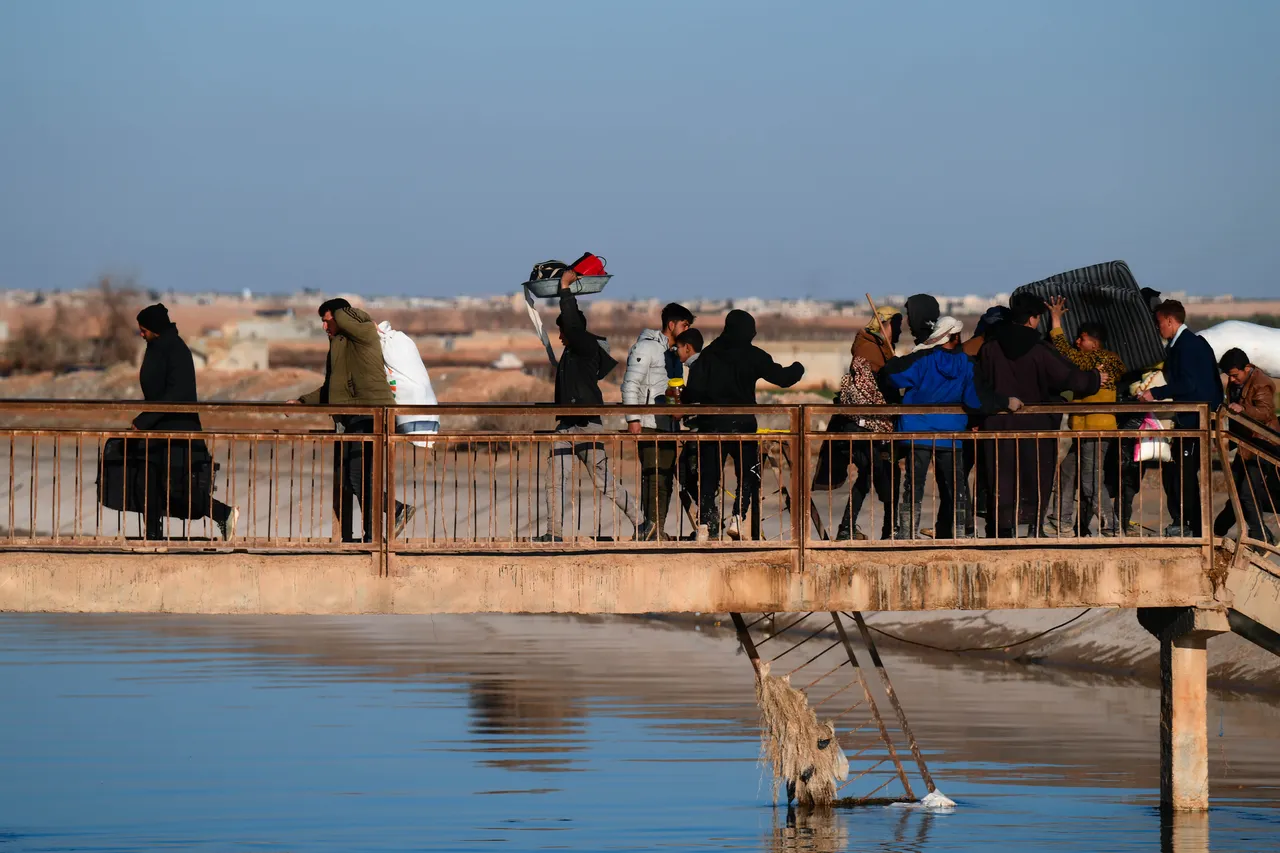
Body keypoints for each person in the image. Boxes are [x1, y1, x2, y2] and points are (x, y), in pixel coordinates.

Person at [977, 293, 1107, 537]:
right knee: (1035, 480)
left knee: (1002, 480)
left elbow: (979, 387)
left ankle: (1000, 535)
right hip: (1035, 429)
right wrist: (1095, 379)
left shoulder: (989, 349)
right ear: (1033, 319)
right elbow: (1068, 376)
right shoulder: (1039, 350)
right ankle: (1033, 534)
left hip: (998, 427)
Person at [289, 298, 411, 543]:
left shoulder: (364, 333)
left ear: (340, 316)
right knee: (357, 477)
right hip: (353, 416)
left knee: (359, 476)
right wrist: (303, 402)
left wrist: (341, 312)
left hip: (372, 413)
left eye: (326, 321)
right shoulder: (337, 347)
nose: (324, 328)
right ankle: (372, 535)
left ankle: (396, 510)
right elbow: (331, 390)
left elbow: (347, 318)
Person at [883, 317, 1010, 539]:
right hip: (951, 434)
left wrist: (894, 363)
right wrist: (1005, 402)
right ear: (957, 336)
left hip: (917, 433)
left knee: (914, 487)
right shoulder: (967, 364)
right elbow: (976, 400)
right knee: (955, 487)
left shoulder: (922, 359)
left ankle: (907, 534)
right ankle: (959, 533)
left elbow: (892, 377)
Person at [683, 310, 804, 540]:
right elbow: (783, 378)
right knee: (748, 473)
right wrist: (798, 367)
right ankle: (738, 517)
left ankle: (705, 525)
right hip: (743, 425)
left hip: (712, 424)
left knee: (709, 475)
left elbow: (693, 392)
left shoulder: (708, 355)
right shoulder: (753, 355)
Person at [537, 271, 638, 541]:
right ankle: (553, 533)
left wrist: (565, 289)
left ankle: (642, 523)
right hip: (567, 426)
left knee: (604, 482)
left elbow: (571, 325)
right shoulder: (574, 352)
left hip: (586, 425)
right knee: (555, 481)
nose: (560, 336)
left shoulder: (584, 347)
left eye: (562, 331)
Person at [133, 304, 239, 541]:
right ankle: (152, 535)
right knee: (147, 481)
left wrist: (145, 420)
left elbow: (176, 393)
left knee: (179, 488)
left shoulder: (175, 350)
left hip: (178, 430)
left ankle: (224, 513)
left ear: (155, 328)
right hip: (158, 429)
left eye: (144, 329)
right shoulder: (157, 346)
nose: (141, 334)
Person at [1138, 300, 1223, 537]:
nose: (1158, 329)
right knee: (1177, 472)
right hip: (1194, 418)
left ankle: (1189, 524)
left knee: (1184, 474)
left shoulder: (1186, 346)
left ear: (1170, 320)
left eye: (1159, 324)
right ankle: (1187, 522)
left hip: (1194, 420)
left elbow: (1189, 384)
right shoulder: (1190, 344)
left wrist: (1155, 393)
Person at [1045, 297, 1127, 536]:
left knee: (1091, 481)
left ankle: (1111, 526)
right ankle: (1060, 521)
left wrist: (1056, 320)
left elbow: (1066, 354)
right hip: (1082, 428)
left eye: (1081, 338)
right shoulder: (1101, 360)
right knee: (1067, 472)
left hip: (1095, 428)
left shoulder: (1102, 359)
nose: (1077, 342)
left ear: (1093, 342)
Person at [622, 302, 694, 540]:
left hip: (668, 425)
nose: (686, 329)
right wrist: (633, 418)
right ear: (671, 324)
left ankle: (657, 529)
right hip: (649, 422)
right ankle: (650, 530)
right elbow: (631, 384)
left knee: (664, 479)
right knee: (653, 477)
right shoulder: (647, 348)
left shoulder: (674, 355)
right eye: (684, 325)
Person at [1212, 348, 1279, 545]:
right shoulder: (1238, 383)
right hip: (1245, 445)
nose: (1232, 380)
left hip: (1262, 446)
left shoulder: (1261, 383)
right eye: (1229, 376)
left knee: (1245, 493)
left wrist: (1244, 409)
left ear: (1247, 368)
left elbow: (1265, 413)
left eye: (1234, 375)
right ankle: (1217, 531)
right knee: (1237, 492)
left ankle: (1261, 537)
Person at [852, 306, 902, 373]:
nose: (900, 331)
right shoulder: (868, 349)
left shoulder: (884, 347)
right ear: (890, 325)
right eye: (898, 325)